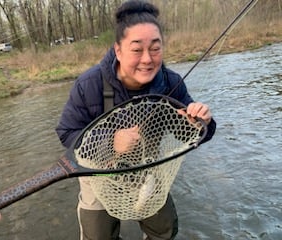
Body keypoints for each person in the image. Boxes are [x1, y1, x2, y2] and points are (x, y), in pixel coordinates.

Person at [56, 0, 216, 239]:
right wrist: (110, 143)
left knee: (164, 231)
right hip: (98, 174)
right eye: (136, 49)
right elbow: (67, 132)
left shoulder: (171, 83)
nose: (147, 59)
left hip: (148, 170)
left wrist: (199, 123)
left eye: (155, 48)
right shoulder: (88, 85)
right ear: (118, 50)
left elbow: (187, 135)